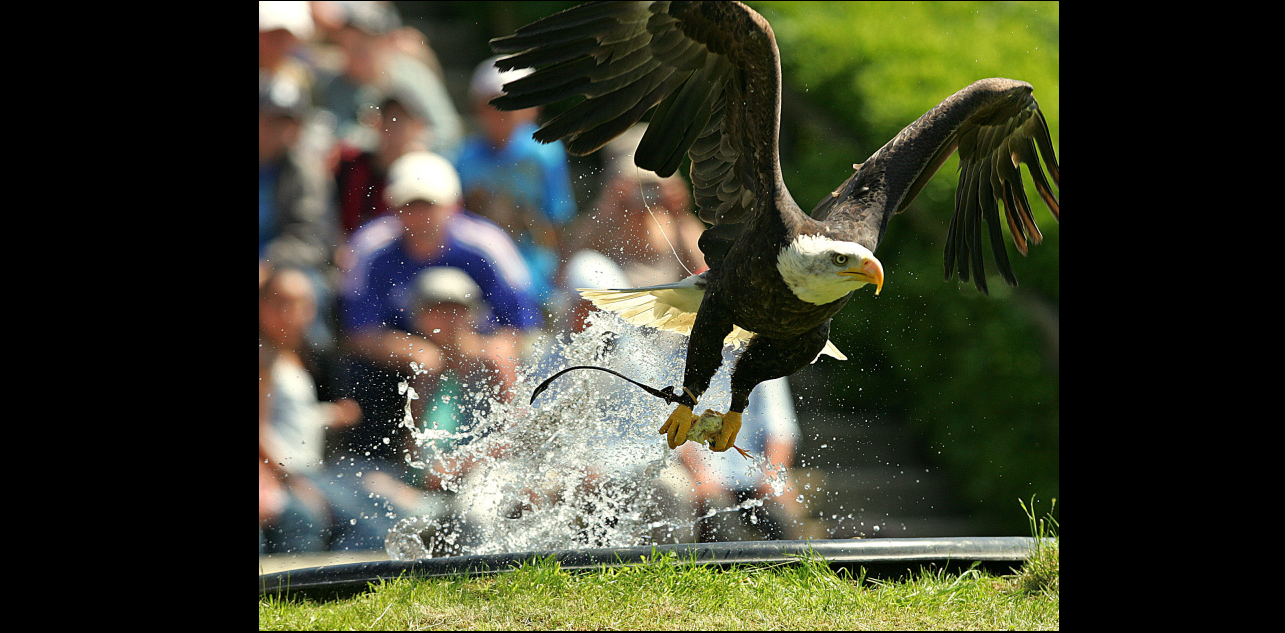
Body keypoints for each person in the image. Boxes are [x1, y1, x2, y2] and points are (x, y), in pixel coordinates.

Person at [337, 150, 543, 476]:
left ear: (453, 206)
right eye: (410, 206)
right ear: (394, 207)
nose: (420, 216)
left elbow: (521, 326)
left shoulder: (487, 246)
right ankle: (389, 463)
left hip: (478, 350)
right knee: (362, 375)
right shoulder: (371, 249)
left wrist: (480, 352)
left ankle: (511, 453)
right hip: (401, 360)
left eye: (429, 205)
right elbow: (358, 332)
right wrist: (417, 352)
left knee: (505, 367)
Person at [453, 56, 579, 303]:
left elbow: (559, 221)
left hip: (533, 266)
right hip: (476, 262)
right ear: (478, 108)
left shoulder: (545, 154)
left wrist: (560, 271)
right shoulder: (463, 157)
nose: (502, 111)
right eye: (492, 103)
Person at [311, 1, 462, 158]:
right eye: (353, 40)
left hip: (408, 161)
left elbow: (448, 130)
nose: (360, 48)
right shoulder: (332, 84)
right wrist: (381, 140)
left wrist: (416, 143)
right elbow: (332, 134)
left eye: (368, 40)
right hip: (360, 169)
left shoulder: (411, 75)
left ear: (386, 42)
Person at [564, 123, 705, 287]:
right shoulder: (602, 224)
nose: (645, 195)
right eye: (637, 185)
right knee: (584, 266)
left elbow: (705, 270)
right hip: (612, 307)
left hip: (662, 308)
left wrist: (680, 216)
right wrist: (606, 211)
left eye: (652, 186)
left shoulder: (676, 225)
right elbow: (566, 273)